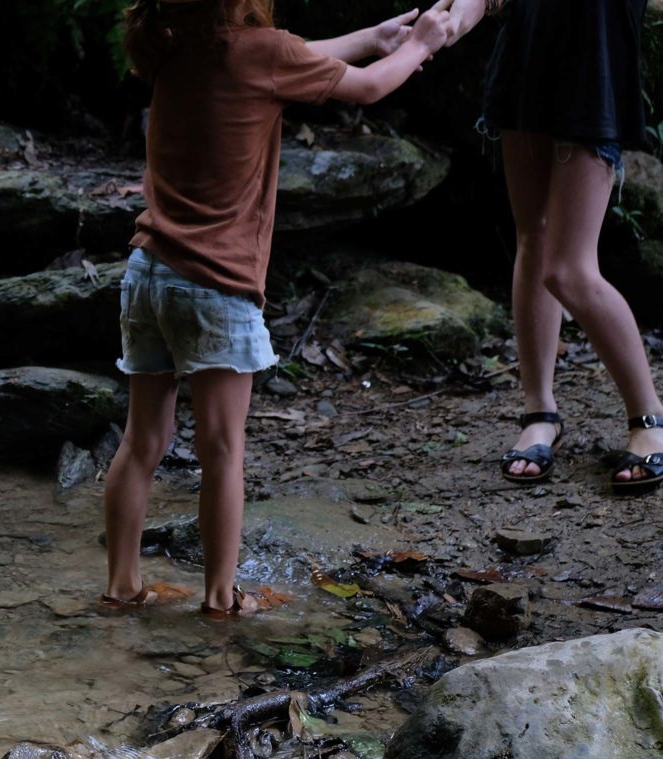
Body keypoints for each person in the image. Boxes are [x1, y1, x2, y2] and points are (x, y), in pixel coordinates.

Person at [101, 0, 456, 616]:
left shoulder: (172, 43)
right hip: (215, 284)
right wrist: (420, 43)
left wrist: (374, 34)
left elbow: (295, 59)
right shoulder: (261, 51)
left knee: (142, 443)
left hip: (148, 272)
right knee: (223, 451)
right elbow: (367, 87)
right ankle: (220, 600)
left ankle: (121, 588)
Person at [447, 0, 663, 491]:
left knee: (567, 269)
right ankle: (539, 410)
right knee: (534, 239)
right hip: (529, 53)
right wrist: (455, 18)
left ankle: (650, 418)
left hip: (593, 65)